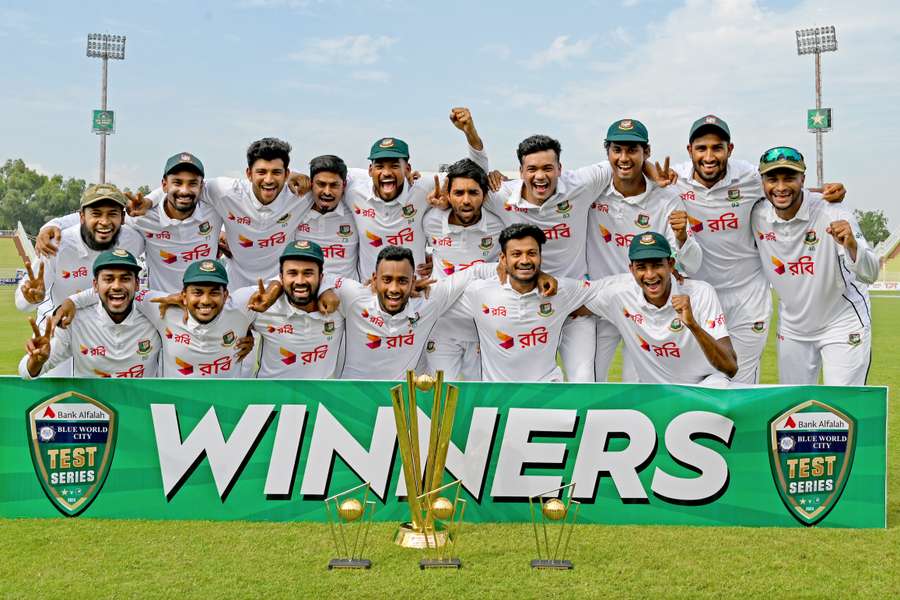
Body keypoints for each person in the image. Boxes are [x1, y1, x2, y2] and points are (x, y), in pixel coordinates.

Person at [669, 114, 846, 384]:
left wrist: (825, 191)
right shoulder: (674, 180)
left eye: (717, 148)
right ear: (689, 151)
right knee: (695, 383)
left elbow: (783, 186)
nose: (709, 156)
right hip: (700, 297)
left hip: (747, 297)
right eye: (701, 148)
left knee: (740, 384)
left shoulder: (749, 177)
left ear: (730, 149)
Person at [325, 244, 555, 380]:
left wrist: (539, 274)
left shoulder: (429, 300)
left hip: (404, 400)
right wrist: (326, 290)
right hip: (353, 396)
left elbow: (476, 271)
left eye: (402, 281)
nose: (394, 289)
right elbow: (312, 275)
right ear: (374, 279)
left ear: (414, 281)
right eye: (387, 280)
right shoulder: (355, 296)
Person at [587, 118, 702, 381]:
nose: (624, 157)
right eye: (617, 149)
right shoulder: (593, 191)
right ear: (608, 153)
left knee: (639, 388)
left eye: (633, 150)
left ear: (646, 152)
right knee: (589, 383)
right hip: (600, 304)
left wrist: (682, 237)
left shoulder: (667, 199)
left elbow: (692, 265)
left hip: (645, 308)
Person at [750, 147, 877, 384]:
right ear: (762, 181)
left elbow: (871, 274)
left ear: (803, 180)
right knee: (795, 409)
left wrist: (852, 245)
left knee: (842, 410)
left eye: (789, 178)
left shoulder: (834, 212)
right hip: (793, 328)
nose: (780, 187)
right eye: (772, 179)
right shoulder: (757, 213)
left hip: (842, 323)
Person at [57, 259, 279, 378]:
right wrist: (72, 301)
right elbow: (120, 292)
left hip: (227, 404)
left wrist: (269, 296)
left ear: (226, 295)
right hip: (173, 405)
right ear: (183, 295)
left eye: (214, 292)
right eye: (197, 292)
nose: (205, 300)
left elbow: (285, 279)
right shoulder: (163, 308)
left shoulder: (242, 304)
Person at [37, 152, 222, 292]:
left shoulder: (214, 211)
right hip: (161, 310)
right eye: (177, 182)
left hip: (206, 306)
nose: (184, 190)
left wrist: (225, 235)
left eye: (192, 183)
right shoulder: (142, 217)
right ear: (164, 184)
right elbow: (103, 216)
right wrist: (53, 225)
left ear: (201, 186)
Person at [15, 183, 144, 376]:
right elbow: (22, 305)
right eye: (96, 213)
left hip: (104, 336)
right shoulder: (57, 244)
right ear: (81, 217)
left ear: (123, 217)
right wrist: (31, 298)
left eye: (112, 214)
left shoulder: (134, 240)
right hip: (58, 332)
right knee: (49, 395)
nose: (105, 221)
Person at [580, 232, 737, 384]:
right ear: (632, 269)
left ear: (670, 265)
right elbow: (573, 304)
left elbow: (730, 368)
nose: (650, 275)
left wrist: (693, 325)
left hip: (706, 386)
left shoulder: (701, 293)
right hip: (659, 395)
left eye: (657, 265)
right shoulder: (619, 296)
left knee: (719, 386)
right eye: (641, 267)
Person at [448, 224, 599, 382]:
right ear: (503, 259)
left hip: (547, 394)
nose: (525, 260)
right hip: (497, 397)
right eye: (516, 254)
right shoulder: (479, 292)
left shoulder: (561, 291)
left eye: (532, 253)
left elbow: (605, 292)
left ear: (541, 257)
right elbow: (436, 302)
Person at [422, 158, 505, 380]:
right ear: (448, 195)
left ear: (485, 195)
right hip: (441, 328)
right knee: (438, 397)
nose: (466, 200)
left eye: (473, 192)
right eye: (458, 193)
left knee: (478, 402)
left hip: (484, 330)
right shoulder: (430, 220)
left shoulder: (500, 223)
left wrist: (503, 180)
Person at [19, 248, 160, 379]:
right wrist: (36, 360)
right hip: (91, 406)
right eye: (108, 279)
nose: (117, 286)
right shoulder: (74, 321)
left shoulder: (156, 319)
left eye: (125, 279)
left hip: (144, 406)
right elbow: (25, 373)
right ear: (95, 286)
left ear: (136, 284)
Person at [249, 240, 345, 378]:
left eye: (308, 273)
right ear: (281, 277)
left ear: (321, 278)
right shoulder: (260, 303)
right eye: (292, 273)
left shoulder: (341, 303)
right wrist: (245, 334)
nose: (300, 281)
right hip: (271, 397)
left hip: (322, 398)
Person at [293, 155, 359, 279]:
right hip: (306, 291)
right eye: (321, 184)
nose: (327, 192)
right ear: (311, 183)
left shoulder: (355, 210)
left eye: (334, 185)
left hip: (346, 292)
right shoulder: (296, 207)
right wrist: (292, 175)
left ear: (344, 185)